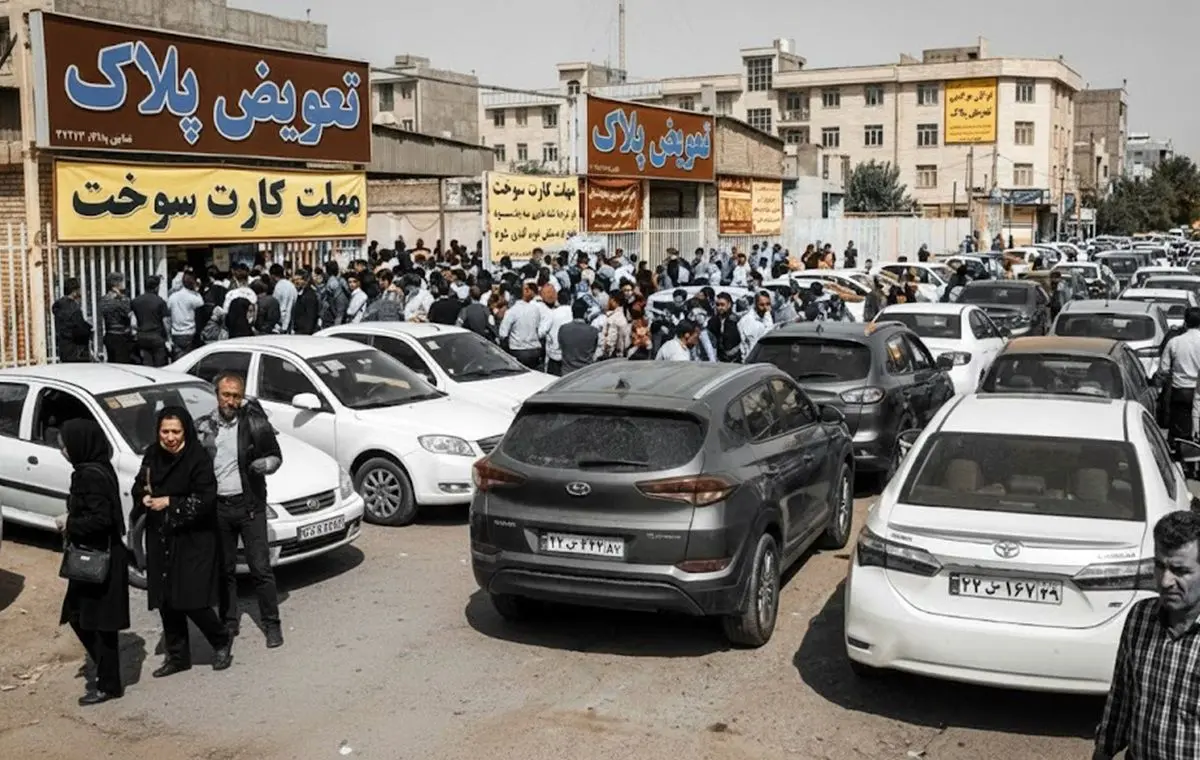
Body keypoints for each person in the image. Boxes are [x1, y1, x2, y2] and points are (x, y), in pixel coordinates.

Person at [132, 407, 233, 678]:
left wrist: (170, 502)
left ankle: (221, 639)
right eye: (165, 431)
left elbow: (206, 498)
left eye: (176, 431)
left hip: (194, 538)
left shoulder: (197, 458)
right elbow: (140, 483)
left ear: (185, 431)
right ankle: (178, 656)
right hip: (161, 536)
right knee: (167, 600)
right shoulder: (153, 454)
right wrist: (143, 496)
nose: (170, 438)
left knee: (193, 599)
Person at [1095, 510, 1200, 760]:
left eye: (1180, 570)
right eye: (1159, 565)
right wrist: (1103, 750)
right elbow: (1121, 698)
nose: (1165, 581)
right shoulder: (1140, 618)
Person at [195, 372, 284, 648]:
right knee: (225, 569)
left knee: (261, 569)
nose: (231, 401)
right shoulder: (204, 428)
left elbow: (276, 455)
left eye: (236, 396)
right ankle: (229, 621)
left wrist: (266, 464)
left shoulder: (255, 424)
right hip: (219, 508)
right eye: (226, 395)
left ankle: (272, 625)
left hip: (250, 507)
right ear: (216, 394)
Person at [58, 419, 130, 705]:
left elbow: (102, 520)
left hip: (98, 558)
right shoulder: (99, 467)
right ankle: (105, 673)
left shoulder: (88, 475)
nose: (62, 449)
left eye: (65, 443)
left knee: (97, 622)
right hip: (102, 556)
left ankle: (108, 684)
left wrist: (69, 523)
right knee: (83, 616)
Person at [1156, 307, 1200, 452]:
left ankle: (1180, 456)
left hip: (1181, 391)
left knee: (1179, 431)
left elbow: (1163, 369)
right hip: (1197, 390)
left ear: (1185, 322)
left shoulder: (1175, 342)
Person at [53, 277, 93, 363]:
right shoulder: (73, 308)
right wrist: (89, 328)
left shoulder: (59, 306)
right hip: (77, 350)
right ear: (74, 291)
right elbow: (80, 329)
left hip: (64, 347)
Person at [98, 272, 133, 363]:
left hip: (109, 335)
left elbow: (100, 321)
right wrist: (122, 297)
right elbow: (127, 313)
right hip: (121, 336)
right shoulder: (122, 299)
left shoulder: (104, 299)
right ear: (117, 284)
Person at [167, 273, 204, 359]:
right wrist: (197, 291)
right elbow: (201, 303)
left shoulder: (173, 297)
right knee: (188, 358)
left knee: (177, 358)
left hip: (176, 332)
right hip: (189, 332)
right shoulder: (192, 297)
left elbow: (168, 311)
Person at [558, 300, 598, 374]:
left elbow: (561, 347)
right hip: (585, 373)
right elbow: (593, 350)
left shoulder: (563, 329)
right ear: (585, 314)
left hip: (567, 373)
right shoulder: (593, 331)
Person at [738, 292, 774, 359]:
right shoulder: (748, 320)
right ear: (755, 304)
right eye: (762, 305)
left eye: (768, 304)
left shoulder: (767, 316)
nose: (765, 307)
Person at [268, 264, 296, 333]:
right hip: (291, 323)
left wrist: (282, 326)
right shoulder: (291, 285)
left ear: (273, 276)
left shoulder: (278, 287)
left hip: (281, 324)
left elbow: (278, 307)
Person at [290, 271, 320, 335]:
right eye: (294, 280)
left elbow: (311, 317)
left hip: (304, 333)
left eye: (298, 279)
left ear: (305, 281)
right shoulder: (299, 293)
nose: (296, 282)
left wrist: (306, 333)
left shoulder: (309, 295)